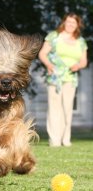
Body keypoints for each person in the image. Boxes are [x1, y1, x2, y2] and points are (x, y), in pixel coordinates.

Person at [38, 13, 88, 147]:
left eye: (73, 23)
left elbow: (84, 61)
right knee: (55, 108)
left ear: (77, 25)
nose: (70, 25)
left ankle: (66, 139)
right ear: (64, 23)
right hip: (55, 76)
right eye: (68, 22)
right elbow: (42, 53)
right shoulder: (54, 36)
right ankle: (54, 140)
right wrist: (49, 65)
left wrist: (78, 65)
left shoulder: (81, 41)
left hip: (70, 78)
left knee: (67, 108)